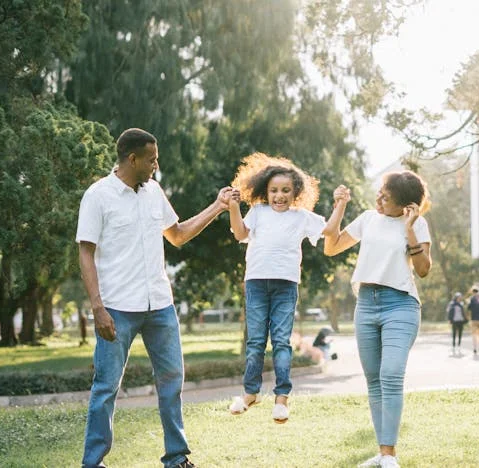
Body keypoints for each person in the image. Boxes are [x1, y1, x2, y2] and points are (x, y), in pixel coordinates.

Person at [76, 128, 234, 468]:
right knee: (106, 387)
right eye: (152, 159)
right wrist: (97, 307)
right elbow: (85, 253)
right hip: (117, 308)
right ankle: (93, 463)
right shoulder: (98, 195)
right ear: (132, 158)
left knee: (172, 380)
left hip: (160, 305)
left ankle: (176, 458)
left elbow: (176, 235)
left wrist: (218, 207)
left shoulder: (153, 192)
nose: (156, 165)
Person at [323, 171, 432, 468]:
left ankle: (389, 455)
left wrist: (409, 228)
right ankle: (383, 454)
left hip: (401, 304)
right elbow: (331, 247)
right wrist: (340, 205)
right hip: (367, 305)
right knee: (374, 381)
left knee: (391, 375)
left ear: (406, 205)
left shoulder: (417, 223)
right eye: (380, 192)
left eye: (387, 196)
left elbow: (423, 269)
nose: (379, 199)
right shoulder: (369, 218)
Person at [227, 152, 326, 424]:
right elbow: (239, 234)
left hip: (285, 285)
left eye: (285, 190)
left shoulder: (301, 217)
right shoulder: (258, 212)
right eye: (273, 190)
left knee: (281, 341)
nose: (279, 196)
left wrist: (340, 204)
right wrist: (234, 207)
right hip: (257, 283)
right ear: (265, 192)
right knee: (256, 341)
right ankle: (250, 393)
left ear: (296, 193)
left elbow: (329, 230)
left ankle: (282, 398)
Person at [467, 288, 479, 354]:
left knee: (474, 334)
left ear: (473, 292)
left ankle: (475, 348)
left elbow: (468, 308)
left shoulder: (472, 299)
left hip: (474, 319)